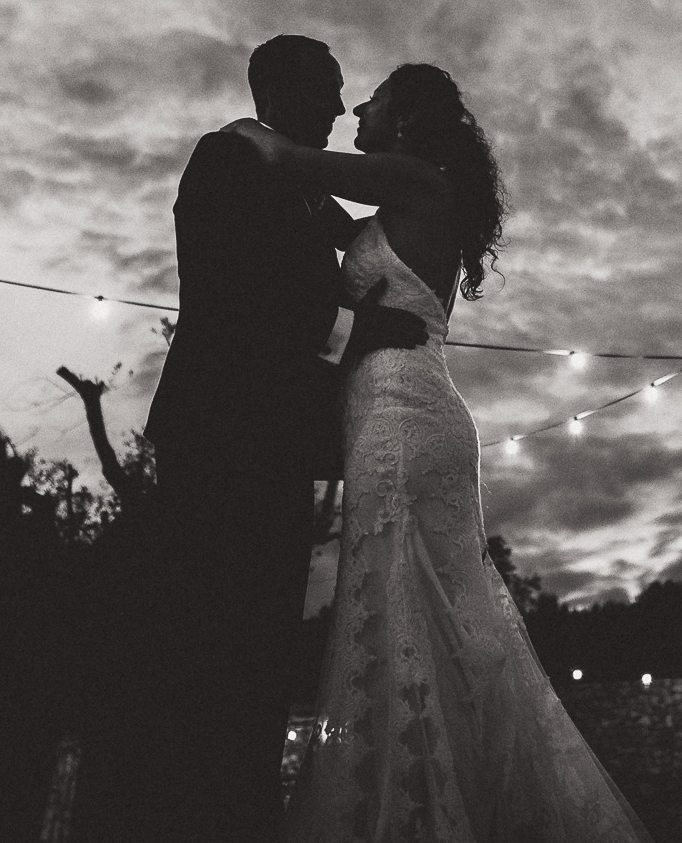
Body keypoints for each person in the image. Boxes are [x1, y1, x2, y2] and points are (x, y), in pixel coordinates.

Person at [224, 63, 655, 841]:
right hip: (384, 411)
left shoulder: (414, 177)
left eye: (375, 97)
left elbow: (286, 161)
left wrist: (242, 129)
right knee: (400, 607)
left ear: (408, 117)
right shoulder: (395, 206)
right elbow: (321, 217)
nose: (359, 104)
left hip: (404, 416)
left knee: (405, 607)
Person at [126, 35, 433, 843]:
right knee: (209, 640)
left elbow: (376, 222)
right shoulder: (226, 160)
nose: (339, 106)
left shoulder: (298, 186)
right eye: (330, 89)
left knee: (262, 649)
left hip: (276, 447)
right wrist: (361, 324)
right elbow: (241, 292)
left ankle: (244, 813)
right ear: (284, 89)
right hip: (220, 437)